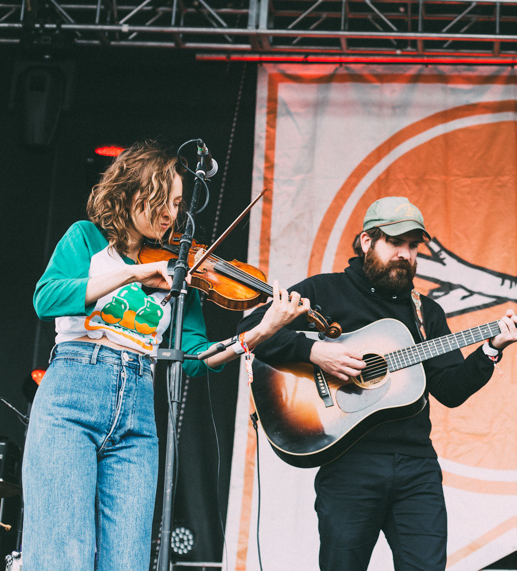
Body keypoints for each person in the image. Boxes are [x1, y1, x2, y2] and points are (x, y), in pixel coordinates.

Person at [24, 140, 310, 570]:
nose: (170, 215)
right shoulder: (86, 240)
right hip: (71, 397)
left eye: (177, 204)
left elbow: (195, 357)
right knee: (64, 554)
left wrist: (260, 331)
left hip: (138, 412)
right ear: (129, 194)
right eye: (162, 201)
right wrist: (137, 272)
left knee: (128, 561)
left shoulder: (181, 273)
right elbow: (46, 299)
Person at [238, 196, 517, 571]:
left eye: (413, 247)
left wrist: (492, 349)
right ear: (366, 241)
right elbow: (250, 330)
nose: (405, 255)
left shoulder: (426, 312)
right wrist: (314, 353)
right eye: (395, 243)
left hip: (416, 466)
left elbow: (450, 389)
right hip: (348, 463)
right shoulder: (326, 291)